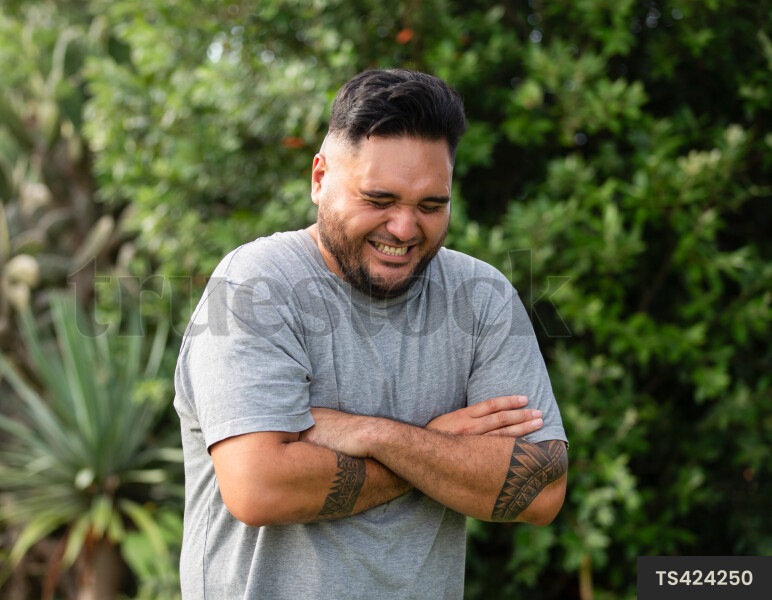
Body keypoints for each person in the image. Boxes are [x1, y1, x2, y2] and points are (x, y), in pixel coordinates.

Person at [173, 68, 568, 599]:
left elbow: (540, 491)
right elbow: (259, 488)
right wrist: (443, 446)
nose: (405, 229)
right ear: (319, 179)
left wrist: (377, 436)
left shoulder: (482, 297)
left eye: (431, 205)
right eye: (379, 200)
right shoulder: (258, 286)